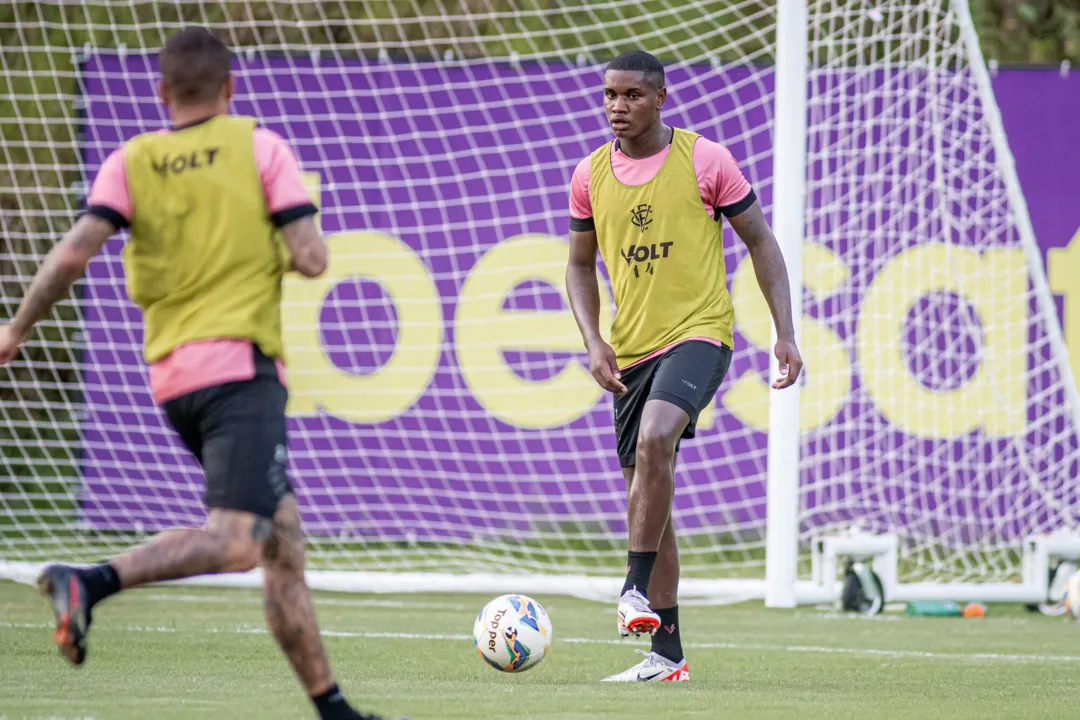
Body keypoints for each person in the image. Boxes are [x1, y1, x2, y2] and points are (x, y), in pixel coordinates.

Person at [0, 26, 389, 720]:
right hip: (240, 369)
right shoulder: (260, 147)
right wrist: (274, 235)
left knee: (283, 541)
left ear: (162, 93)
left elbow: (71, 255)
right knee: (240, 542)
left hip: (172, 379)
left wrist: (17, 328)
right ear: (230, 88)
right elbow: (312, 258)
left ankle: (335, 711)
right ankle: (87, 581)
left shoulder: (132, 159)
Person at [565, 50, 803, 683]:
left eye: (633, 95)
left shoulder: (705, 159)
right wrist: (593, 341)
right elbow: (577, 265)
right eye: (610, 95)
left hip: (700, 334)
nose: (619, 106)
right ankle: (666, 657)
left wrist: (785, 331)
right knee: (650, 496)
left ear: (662, 97)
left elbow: (761, 242)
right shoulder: (589, 175)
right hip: (631, 349)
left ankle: (631, 589)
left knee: (656, 437)